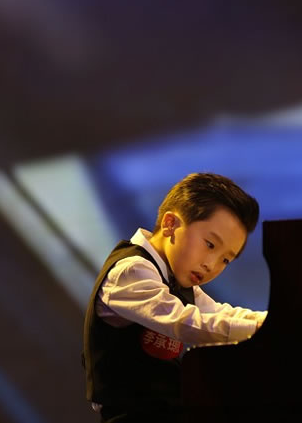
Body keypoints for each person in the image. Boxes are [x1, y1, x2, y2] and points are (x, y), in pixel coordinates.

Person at [83, 172, 268, 422]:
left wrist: (271, 320)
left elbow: (219, 313)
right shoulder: (132, 271)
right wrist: (263, 329)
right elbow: (187, 322)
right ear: (170, 224)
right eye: (210, 245)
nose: (211, 265)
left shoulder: (173, 277)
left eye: (225, 260)